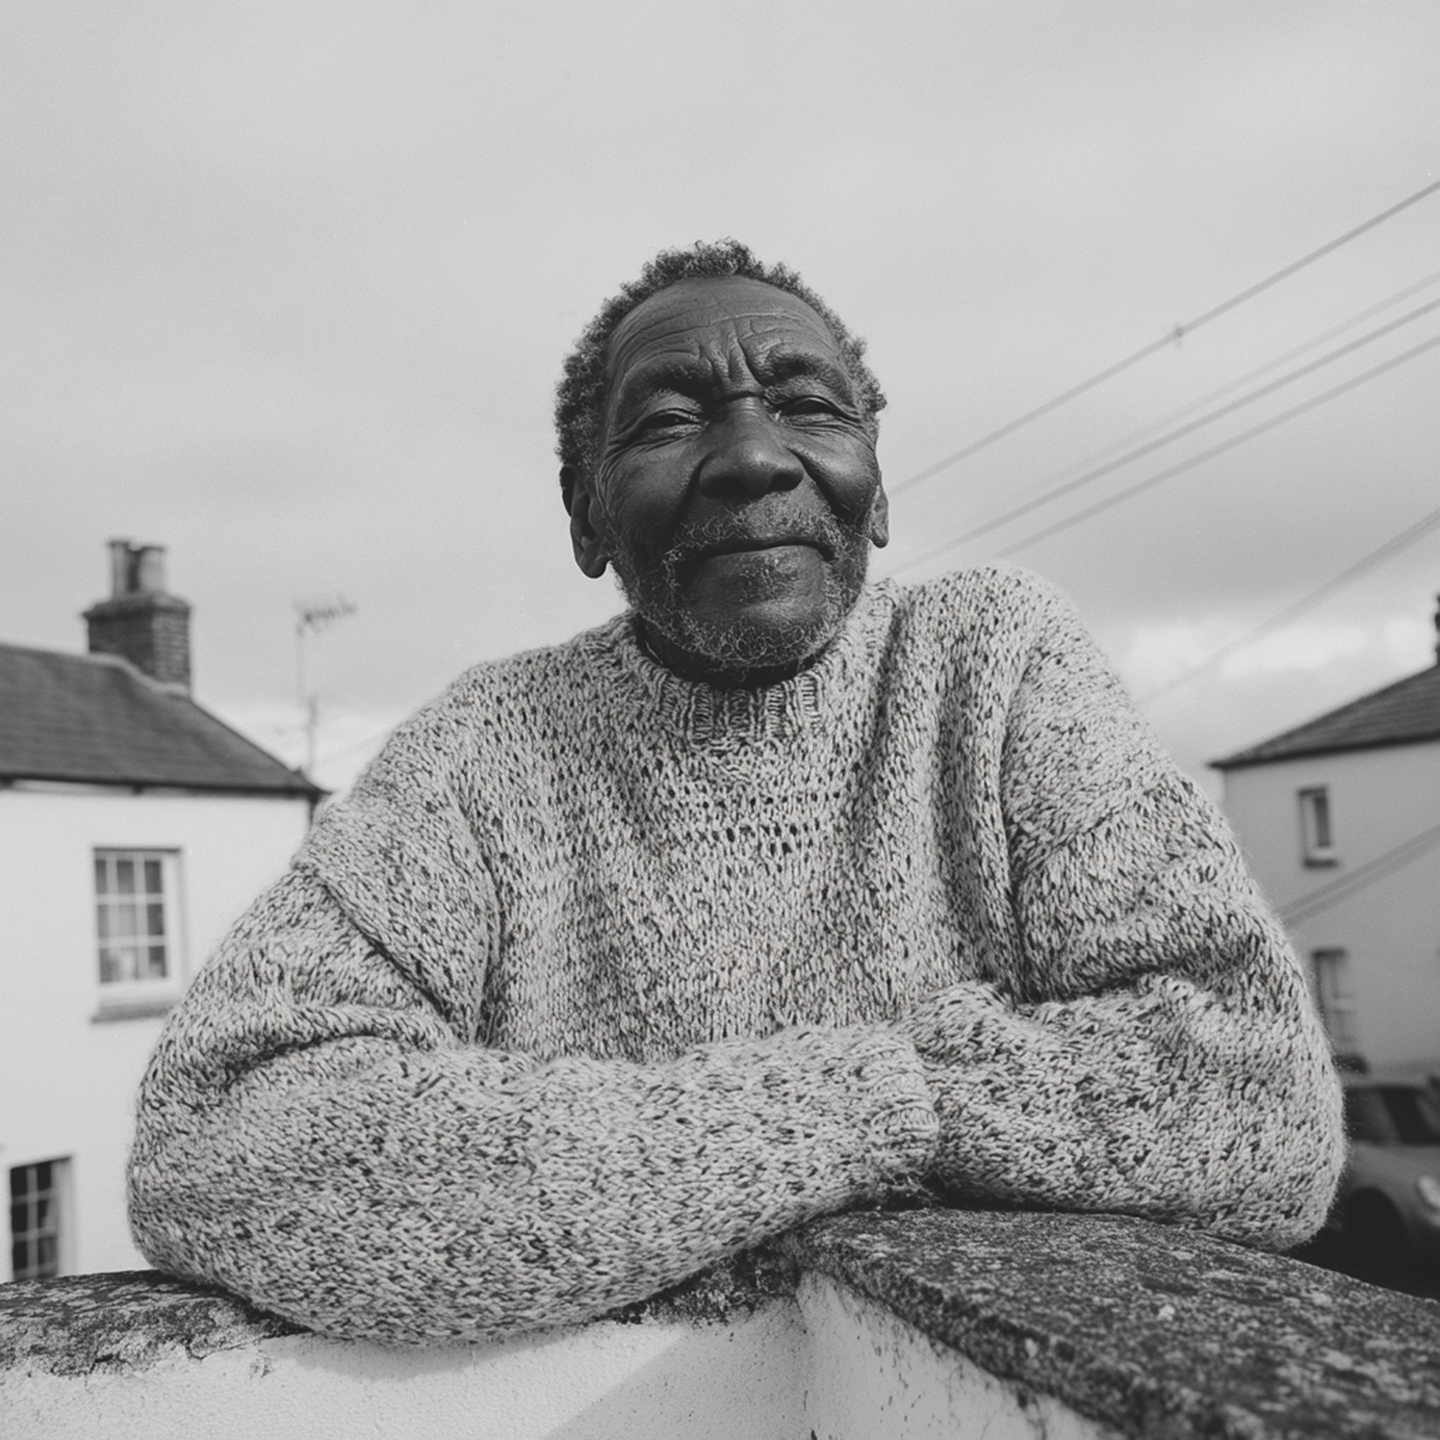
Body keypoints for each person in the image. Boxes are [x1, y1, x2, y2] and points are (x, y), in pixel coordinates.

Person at [128, 239, 1344, 1346]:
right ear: (586, 516)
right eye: (667, 420)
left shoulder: (993, 662)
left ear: (878, 484)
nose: (756, 456)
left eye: (810, 407)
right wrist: (874, 1105)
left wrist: (755, 1133)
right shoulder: (481, 755)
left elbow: (1258, 1105)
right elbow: (219, 1141)